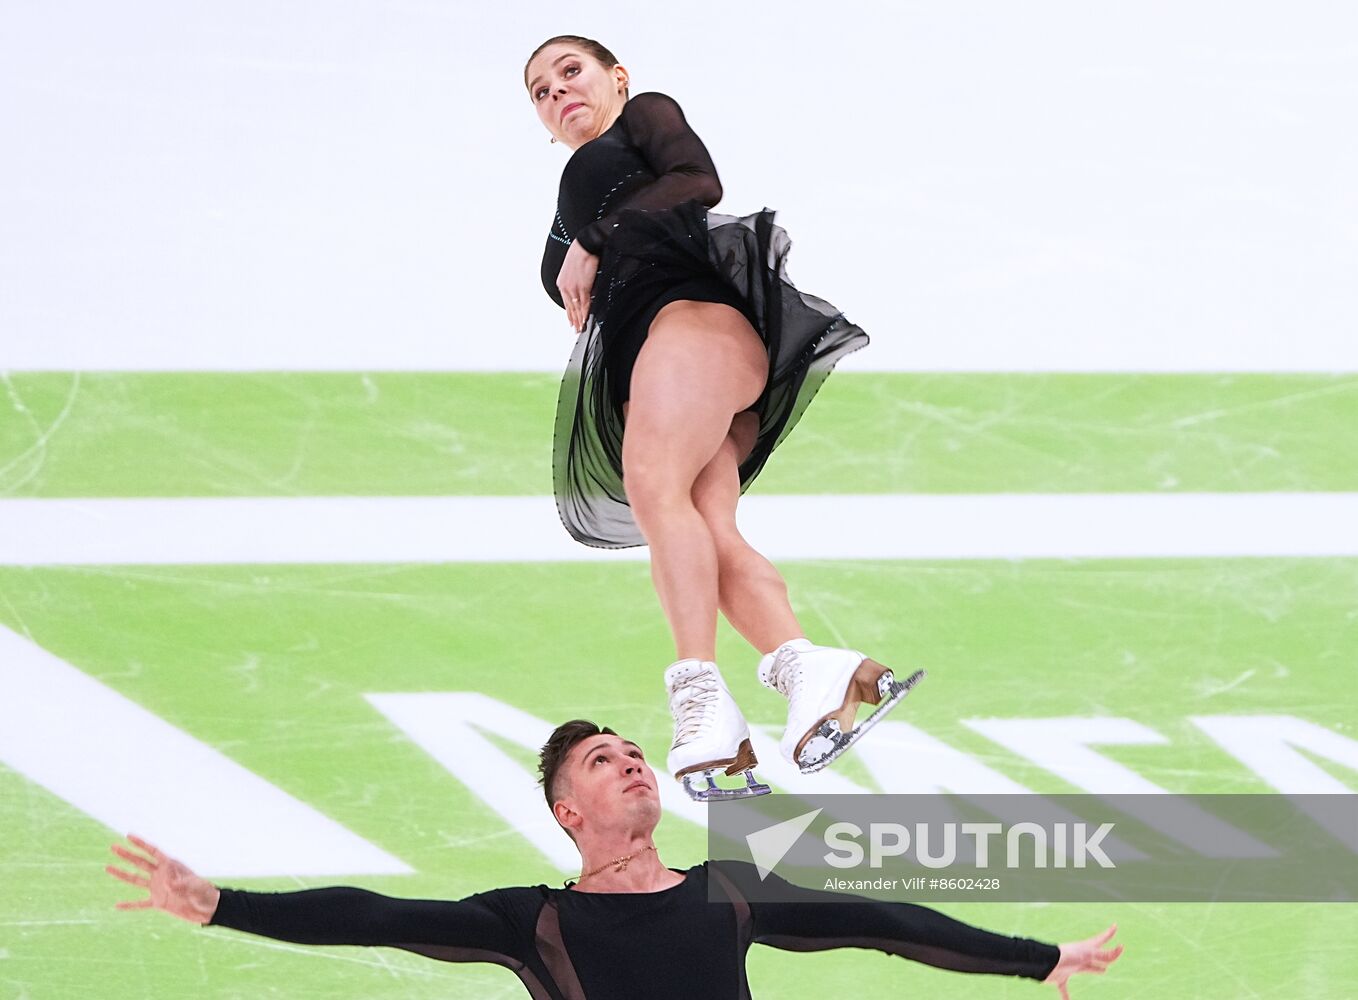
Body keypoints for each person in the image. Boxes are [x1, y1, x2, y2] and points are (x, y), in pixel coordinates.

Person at [527, 35, 924, 801]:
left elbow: (698, 179)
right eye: (540, 93)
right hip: (663, 369)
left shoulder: (640, 118)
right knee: (704, 525)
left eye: (569, 72)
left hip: (695, 327)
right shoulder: (572, 195)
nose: (557, 93)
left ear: (616, 77)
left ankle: (701, 699)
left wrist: (592, 239)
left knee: (652, 488)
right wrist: (579, 239)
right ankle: (810, 668)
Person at [105, 720, 1123, 999]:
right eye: (604, 759)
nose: (632, 760)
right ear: (567, 810)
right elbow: (369, 913)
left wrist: (1034, 957)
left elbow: (887, 921)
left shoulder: (726, 894)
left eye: (635, 751)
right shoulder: (532, 923)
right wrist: (221, 904)